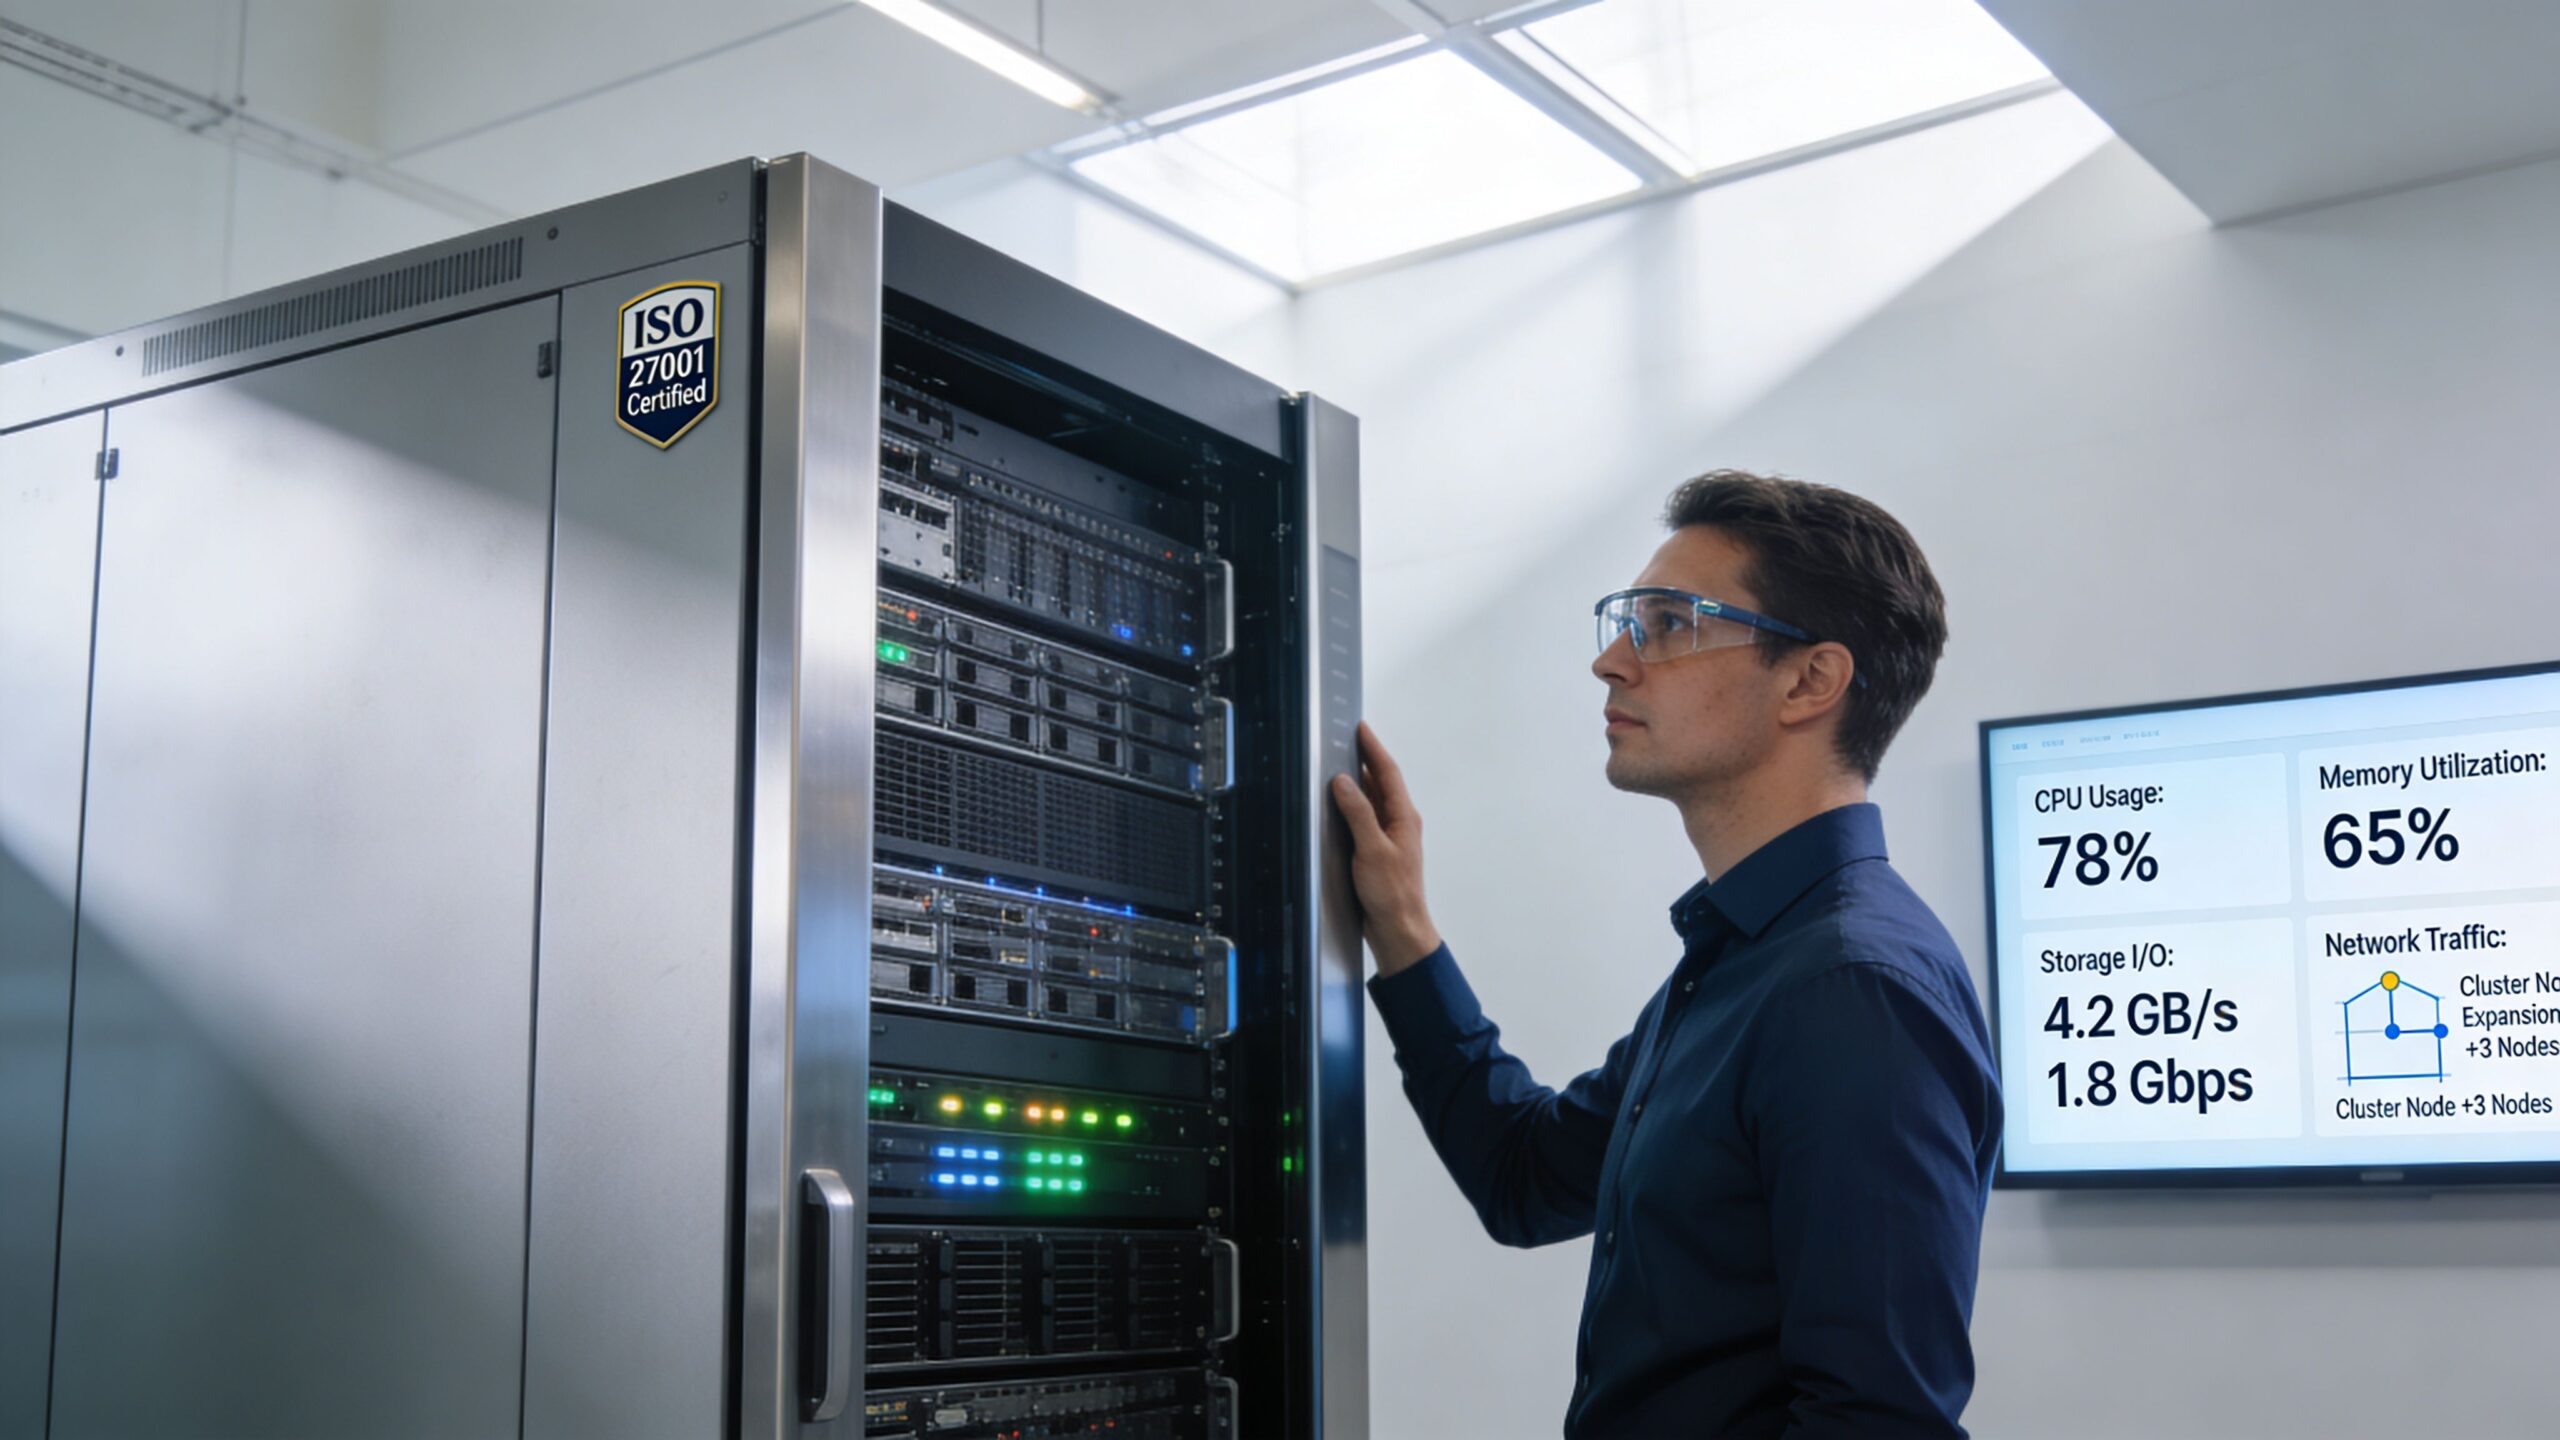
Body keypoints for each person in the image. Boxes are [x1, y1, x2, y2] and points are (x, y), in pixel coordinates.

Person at [1330, 471, 2001, 1438]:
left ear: (1811, 681)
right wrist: (1402, 932)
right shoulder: (1743, 963)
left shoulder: (1851, 990)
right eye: (1623, 620)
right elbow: (1524, 1178)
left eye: (1668, 623)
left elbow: (1876, 1423)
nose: (1611, 661)